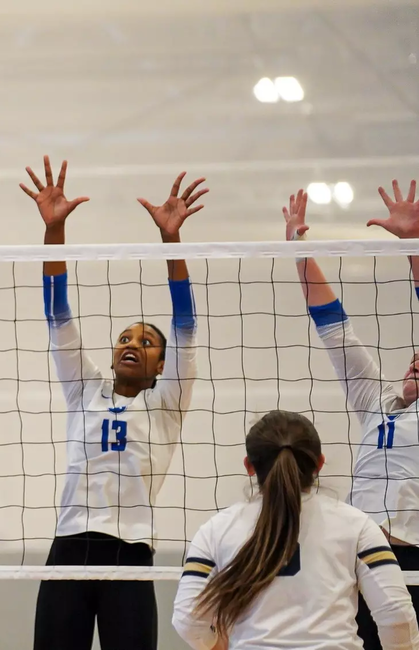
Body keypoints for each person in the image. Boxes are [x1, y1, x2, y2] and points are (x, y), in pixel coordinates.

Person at [22, 156, 202, 650]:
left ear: (161, 365)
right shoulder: (84, 388)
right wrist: (54, 229)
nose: (131, 343)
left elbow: (185, 324)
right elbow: (56, 309)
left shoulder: (167, 402)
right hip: (70, 546)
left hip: (131, 551)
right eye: (125, 336)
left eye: (145, 342)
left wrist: (171, 240)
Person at [282, 181, 419, 649]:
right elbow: (334, 328)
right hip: (360, 560)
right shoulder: (378, 404)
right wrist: (298, 251)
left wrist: (413, 245)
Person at [172, 410, 419, 650]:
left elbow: (187, 619)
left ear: (249, 466)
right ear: (319, 464)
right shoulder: (357, 524)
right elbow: (396, 614)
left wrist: (216, 645)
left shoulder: (216, 529)